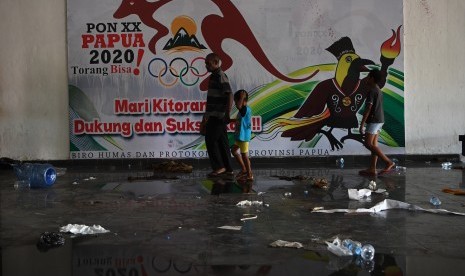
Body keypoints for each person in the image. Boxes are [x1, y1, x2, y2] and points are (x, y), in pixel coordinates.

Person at [202, 53, 234, 177]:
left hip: (218, 115)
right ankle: (228, 168)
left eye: (208, 63)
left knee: (210, 140)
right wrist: (205, 117)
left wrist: (227, 113)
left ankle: (219, 167)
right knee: (222, 142)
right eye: (205, 63)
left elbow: (229, 94)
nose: (206, 66)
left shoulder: (221, 75)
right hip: (213, 115)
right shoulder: (213, 76)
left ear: (216, 63)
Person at [359, 69, 395, 176]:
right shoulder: (378, 90)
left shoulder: (371, 91)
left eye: (368, 76)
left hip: (374, 121)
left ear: (372, 78)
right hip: (380, 120)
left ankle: (388, 162)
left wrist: (362, 125)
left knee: (368, 143)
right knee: (374, 144)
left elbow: (368, 108)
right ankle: (372, 169)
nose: (366, 78)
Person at [230, 90, 253, 181]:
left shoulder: (246, 109)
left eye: (236, 101)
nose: (236, 104)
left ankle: (249, 174)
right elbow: (240, 120)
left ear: (243, 100)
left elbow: (240, 107)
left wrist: (242, 96)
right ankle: (244, 169)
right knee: (234, 151)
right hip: (239, 136)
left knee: (244, 155)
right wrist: (230, 120)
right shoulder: (241, 111)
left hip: (244, 137)